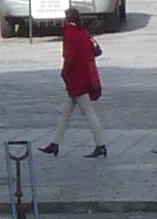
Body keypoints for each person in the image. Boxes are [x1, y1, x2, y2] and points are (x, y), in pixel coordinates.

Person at [44, 13, 109, 157]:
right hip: (84, 76)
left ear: (67, 19)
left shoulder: (70, 33)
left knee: (88, 112)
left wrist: (64, 72)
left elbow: (69, 57)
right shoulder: (83, 32)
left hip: (75, 79)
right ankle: (55, 143)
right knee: (66, 112)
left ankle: (101, 143)